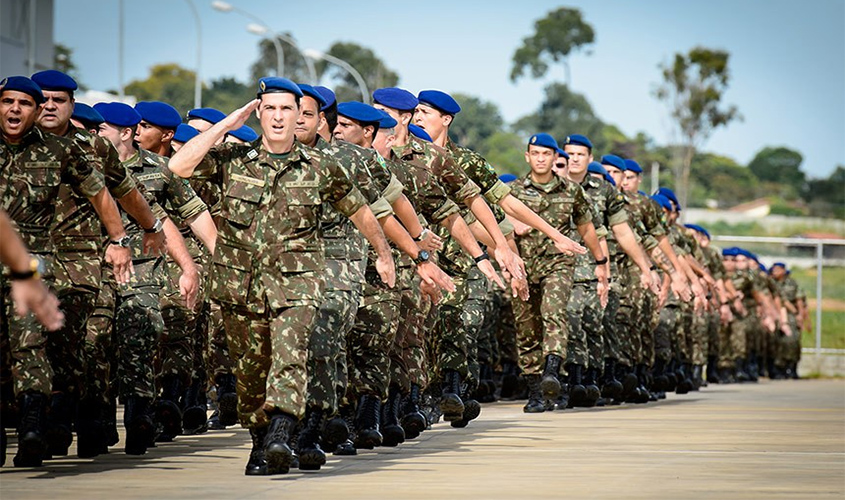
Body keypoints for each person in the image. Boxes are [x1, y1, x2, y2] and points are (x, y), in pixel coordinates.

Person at [168, 77, 394, 476]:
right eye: (269, 108)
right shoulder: (233, 161)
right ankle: (262, 442)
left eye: (287, 109)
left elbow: (361, 211)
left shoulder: (323, 166)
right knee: (251, 372)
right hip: (241, 287)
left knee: (290, 359)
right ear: (258, 112)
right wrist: (227, 124)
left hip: (298, 283)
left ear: (301, 117)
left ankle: (281, 431)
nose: (278, 117)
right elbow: (178, 167)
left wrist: (382, 252)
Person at [31, 69, 167, 458]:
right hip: (24, 258)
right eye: (45, 99)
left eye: (60, 100)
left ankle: (62, 423)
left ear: (72, 106)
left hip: (82, 262)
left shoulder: (92, 148)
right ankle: (41, 420)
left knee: (80, 345)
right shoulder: (13, 144)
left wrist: (148, 227)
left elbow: (124, 191)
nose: (50, 106)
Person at [0, 75, 133, 467]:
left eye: (24, 104)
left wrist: (120, 241)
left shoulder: (63, 150)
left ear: (37, 110)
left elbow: (103, 194)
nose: (14, 110)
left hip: (36, 260)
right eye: (7, 101)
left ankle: (33, 427)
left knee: (31, 345)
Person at [508, 133, 606, 413]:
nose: (540, 159)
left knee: (553, 312)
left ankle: (552, 371)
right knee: (526, 329)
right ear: (527, 156)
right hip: (523, 266)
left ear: (555, 158)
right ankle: (536, 391)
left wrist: (600, 261)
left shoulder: (571, 190)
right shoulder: (513, 190)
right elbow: (498, 224)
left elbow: (586, 227)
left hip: (557, 264)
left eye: (546, 154)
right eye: (535, 153)